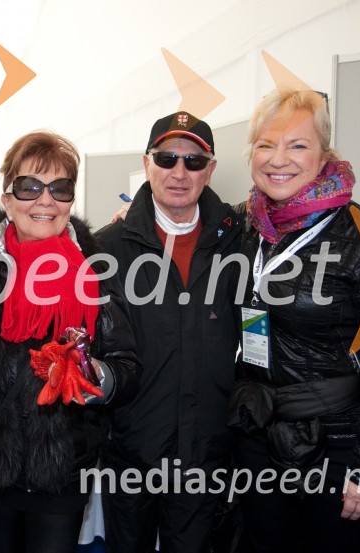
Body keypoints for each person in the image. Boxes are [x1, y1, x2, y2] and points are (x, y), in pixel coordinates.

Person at [228, 88, 360, 552]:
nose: (279, 159)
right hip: (258, 432)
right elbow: (182, 218)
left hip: (340, 443)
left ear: (325, 155)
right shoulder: (241, 226)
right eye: (265, 144)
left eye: (297, 145)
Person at [0, 131, 140, 553]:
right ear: (8, 199)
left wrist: (90, 374)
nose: (45, 200)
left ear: (71, 199)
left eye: (60, 187)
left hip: (65, 467)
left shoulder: (97, 267)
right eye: (30, 186)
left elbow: (125, 368)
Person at [95, 112, 242, 553]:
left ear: (211, 169)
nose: (179, 172)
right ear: (147, 163)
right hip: (131, 446)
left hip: (205, 445)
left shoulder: (239, 241)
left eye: (194, 162)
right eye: (167, 158)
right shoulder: (106, 247)